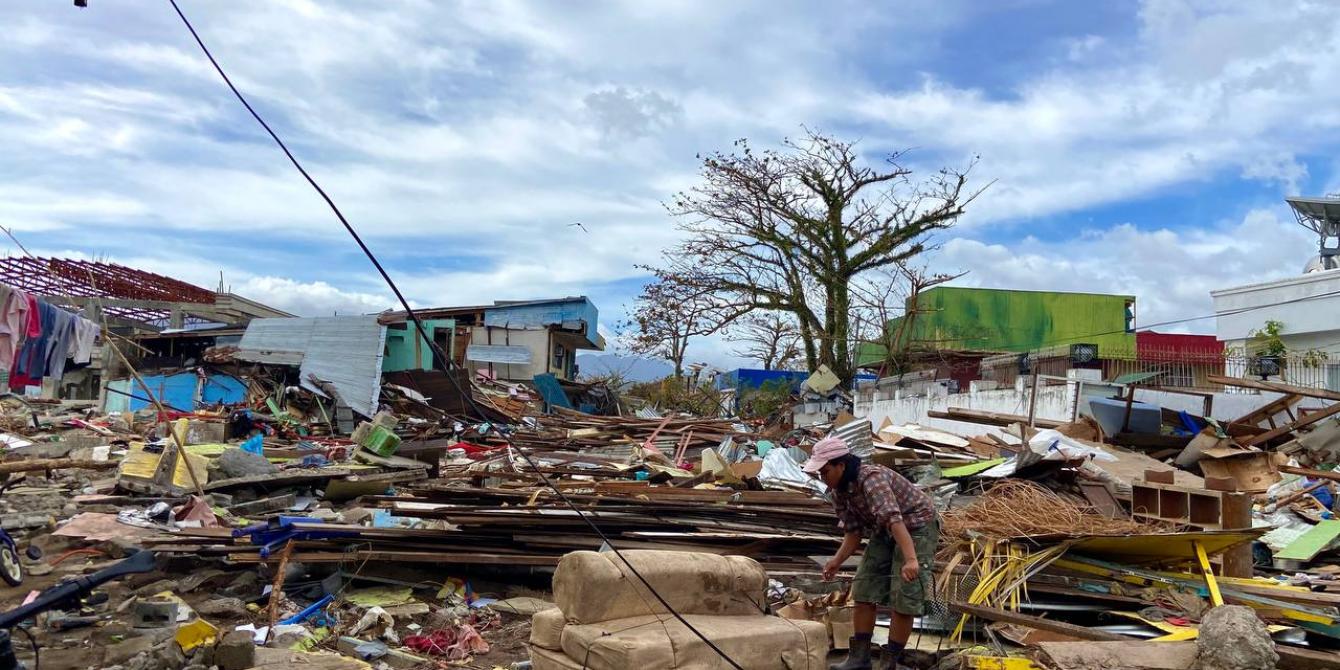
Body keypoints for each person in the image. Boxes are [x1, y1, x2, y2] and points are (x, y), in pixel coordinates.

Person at [803, 436, 939, 670]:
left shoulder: (871, 479)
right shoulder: (838, 493)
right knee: (864, 587)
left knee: (904, 595)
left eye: (825, 472)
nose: (822, 478)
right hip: (885, 529)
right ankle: (860, 659)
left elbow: (895, 520)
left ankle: (890, 662)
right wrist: (836, 561)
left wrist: (911, 559)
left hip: (916, 526)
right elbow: (854, 532)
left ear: (841, 465)